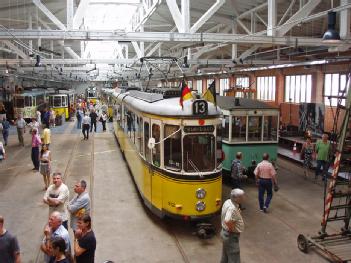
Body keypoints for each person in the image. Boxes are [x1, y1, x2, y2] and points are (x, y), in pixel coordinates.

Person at [220, 189, 245, 263]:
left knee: (225, 254)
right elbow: (227, 220)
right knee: (234, 256)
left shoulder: (228, 202)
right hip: (230, 235)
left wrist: (237, 212)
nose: (244, 198)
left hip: (224, 233)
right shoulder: (232, 208)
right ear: (236, 198)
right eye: (242, 197)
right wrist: (231, 229)